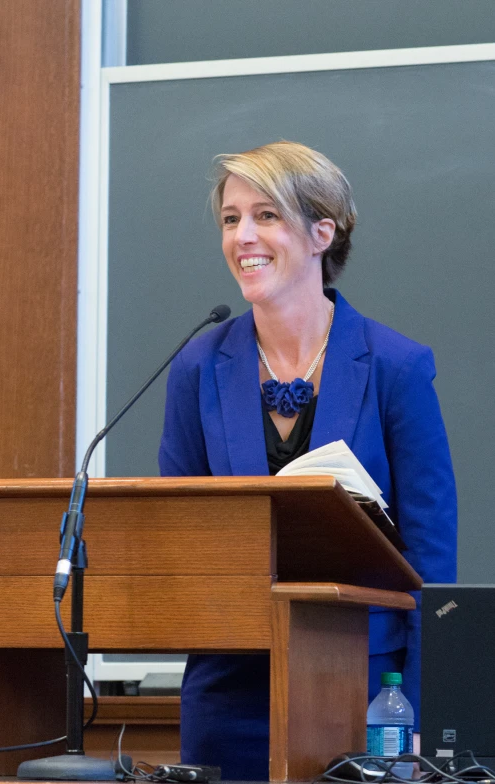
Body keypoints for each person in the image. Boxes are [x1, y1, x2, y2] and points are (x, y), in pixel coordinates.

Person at [159, 141, 457, 780]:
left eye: (266, 215)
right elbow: (178, 533)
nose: (243, 236)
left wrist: (427, 710)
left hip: (369, 689)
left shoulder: (397, 366)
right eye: (231, 218)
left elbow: (430, 559)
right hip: (229, 689)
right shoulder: (197, 366)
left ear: (323, 232)